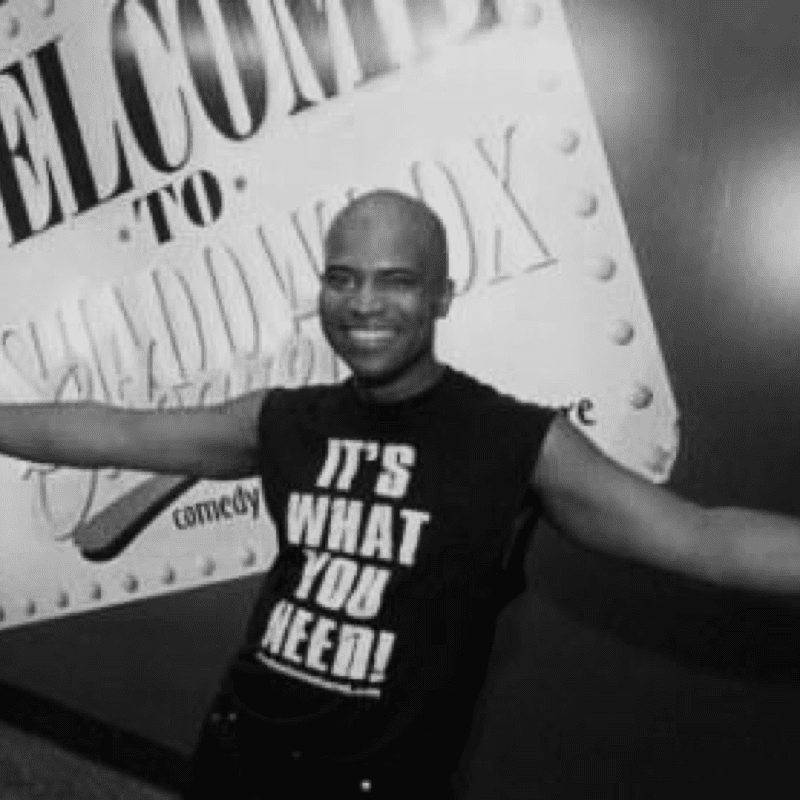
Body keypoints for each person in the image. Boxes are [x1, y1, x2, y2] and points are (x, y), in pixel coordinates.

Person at [2, 190, 800, 799]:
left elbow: (703, 538)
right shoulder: (283, 420)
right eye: (342, 279)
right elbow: (115, 433)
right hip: (239, 753)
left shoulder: (516, 441)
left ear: (443, 296)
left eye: (397, 281)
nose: (363, 305)